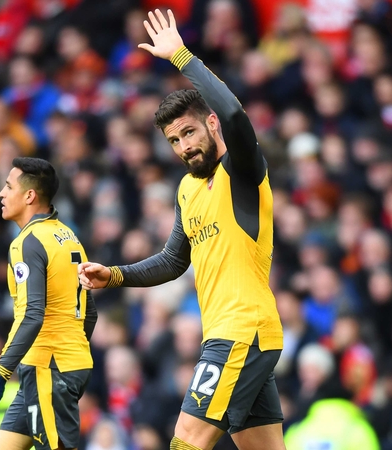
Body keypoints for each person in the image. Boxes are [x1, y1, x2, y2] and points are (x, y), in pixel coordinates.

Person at [78, 10, 284, 450]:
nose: (184, 146)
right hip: (231, 334)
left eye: (189, 132)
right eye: (174, 141)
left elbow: (233, 111)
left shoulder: (242, 171)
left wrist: (182, 57)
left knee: (186, 440)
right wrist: (114, 275)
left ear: (211, 124)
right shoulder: (189, 189)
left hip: (242, 330)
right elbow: (174, 260)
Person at [0, 157, 98, 450]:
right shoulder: (69, 236)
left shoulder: (27, 242)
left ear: (29, 196)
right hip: (56, 364)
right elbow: (89, 312)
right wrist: (73, 351)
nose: (1, 194)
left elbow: (33, 315)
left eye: (8, 187)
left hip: (50, 367)